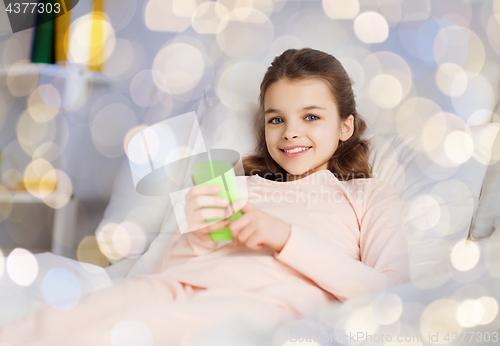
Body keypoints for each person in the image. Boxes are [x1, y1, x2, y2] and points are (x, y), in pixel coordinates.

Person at [0, 48, 410, 345]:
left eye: (312, 117)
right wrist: (195, 237)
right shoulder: (240, 184)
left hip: (259, 305)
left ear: (344, 126)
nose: (290, 132)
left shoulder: (367, 196)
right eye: (276, 119)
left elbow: (393, 292)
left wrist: (284, 237)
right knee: (55, 325)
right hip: (174, 286)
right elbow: (166, 270)